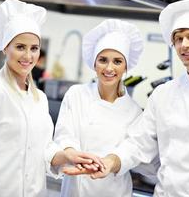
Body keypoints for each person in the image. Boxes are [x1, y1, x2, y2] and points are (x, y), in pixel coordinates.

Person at [64, 0, 189, 197]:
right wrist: (109, 163)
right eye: (178, 39)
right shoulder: (163, 93)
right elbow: (138, 143)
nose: (184, 44)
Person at [0, 0, 103, 197]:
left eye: (34, 48)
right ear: (6, 47)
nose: (28, 55)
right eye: (20, 47)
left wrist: (66, 155)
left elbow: (43, 150)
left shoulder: (39, 99)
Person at [53, 19, 145, 197]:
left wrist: (108, 163)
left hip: (113, 191)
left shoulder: (134, 111)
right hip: (75, 189)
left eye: (117, 61)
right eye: (103, 60)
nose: (109, 68)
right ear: (94, 63)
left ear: (126, 66)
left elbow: (131, 153)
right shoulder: (76, 94)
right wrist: (73, 155)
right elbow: (65, 135)